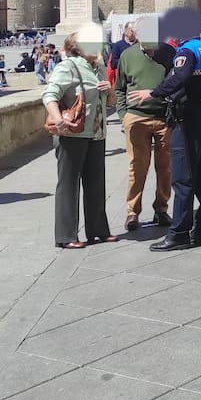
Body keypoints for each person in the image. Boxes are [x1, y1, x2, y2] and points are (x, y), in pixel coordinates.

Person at [129, 24, 201, 251]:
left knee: (183, 177)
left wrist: (153, 92)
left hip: (186, 119)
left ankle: (179, 233)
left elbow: (179, 77)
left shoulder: (186, 52)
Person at [43, 28, 118, 249]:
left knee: (96, 184)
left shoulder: (99, 68)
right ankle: (66, 235)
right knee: (68, 183)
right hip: (72, 133)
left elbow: (111, 102)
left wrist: (110, 90)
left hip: (96, 133)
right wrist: (58, 119)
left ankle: (98, 231)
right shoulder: (68, 67)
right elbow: (49, 94)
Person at [114, 38, 173, 232]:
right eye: (148, 46)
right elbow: (120, 88)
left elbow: (175, 83)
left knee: (165, 167)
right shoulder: (127, 55)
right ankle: (133, 211)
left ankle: (161, 208)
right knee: (137, 166)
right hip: (137, 117)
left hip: (164, 118)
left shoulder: (169, 53)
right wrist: (124, 116)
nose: (152, 51)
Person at [107, 22, 138, 88]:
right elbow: (113, 64)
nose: (135, 33)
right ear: (126, 31)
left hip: (137, 80)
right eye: (132, 30)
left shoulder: (139, 45)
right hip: (123, 82)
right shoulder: (118, 46)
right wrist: (128, 62)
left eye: (136, 30)